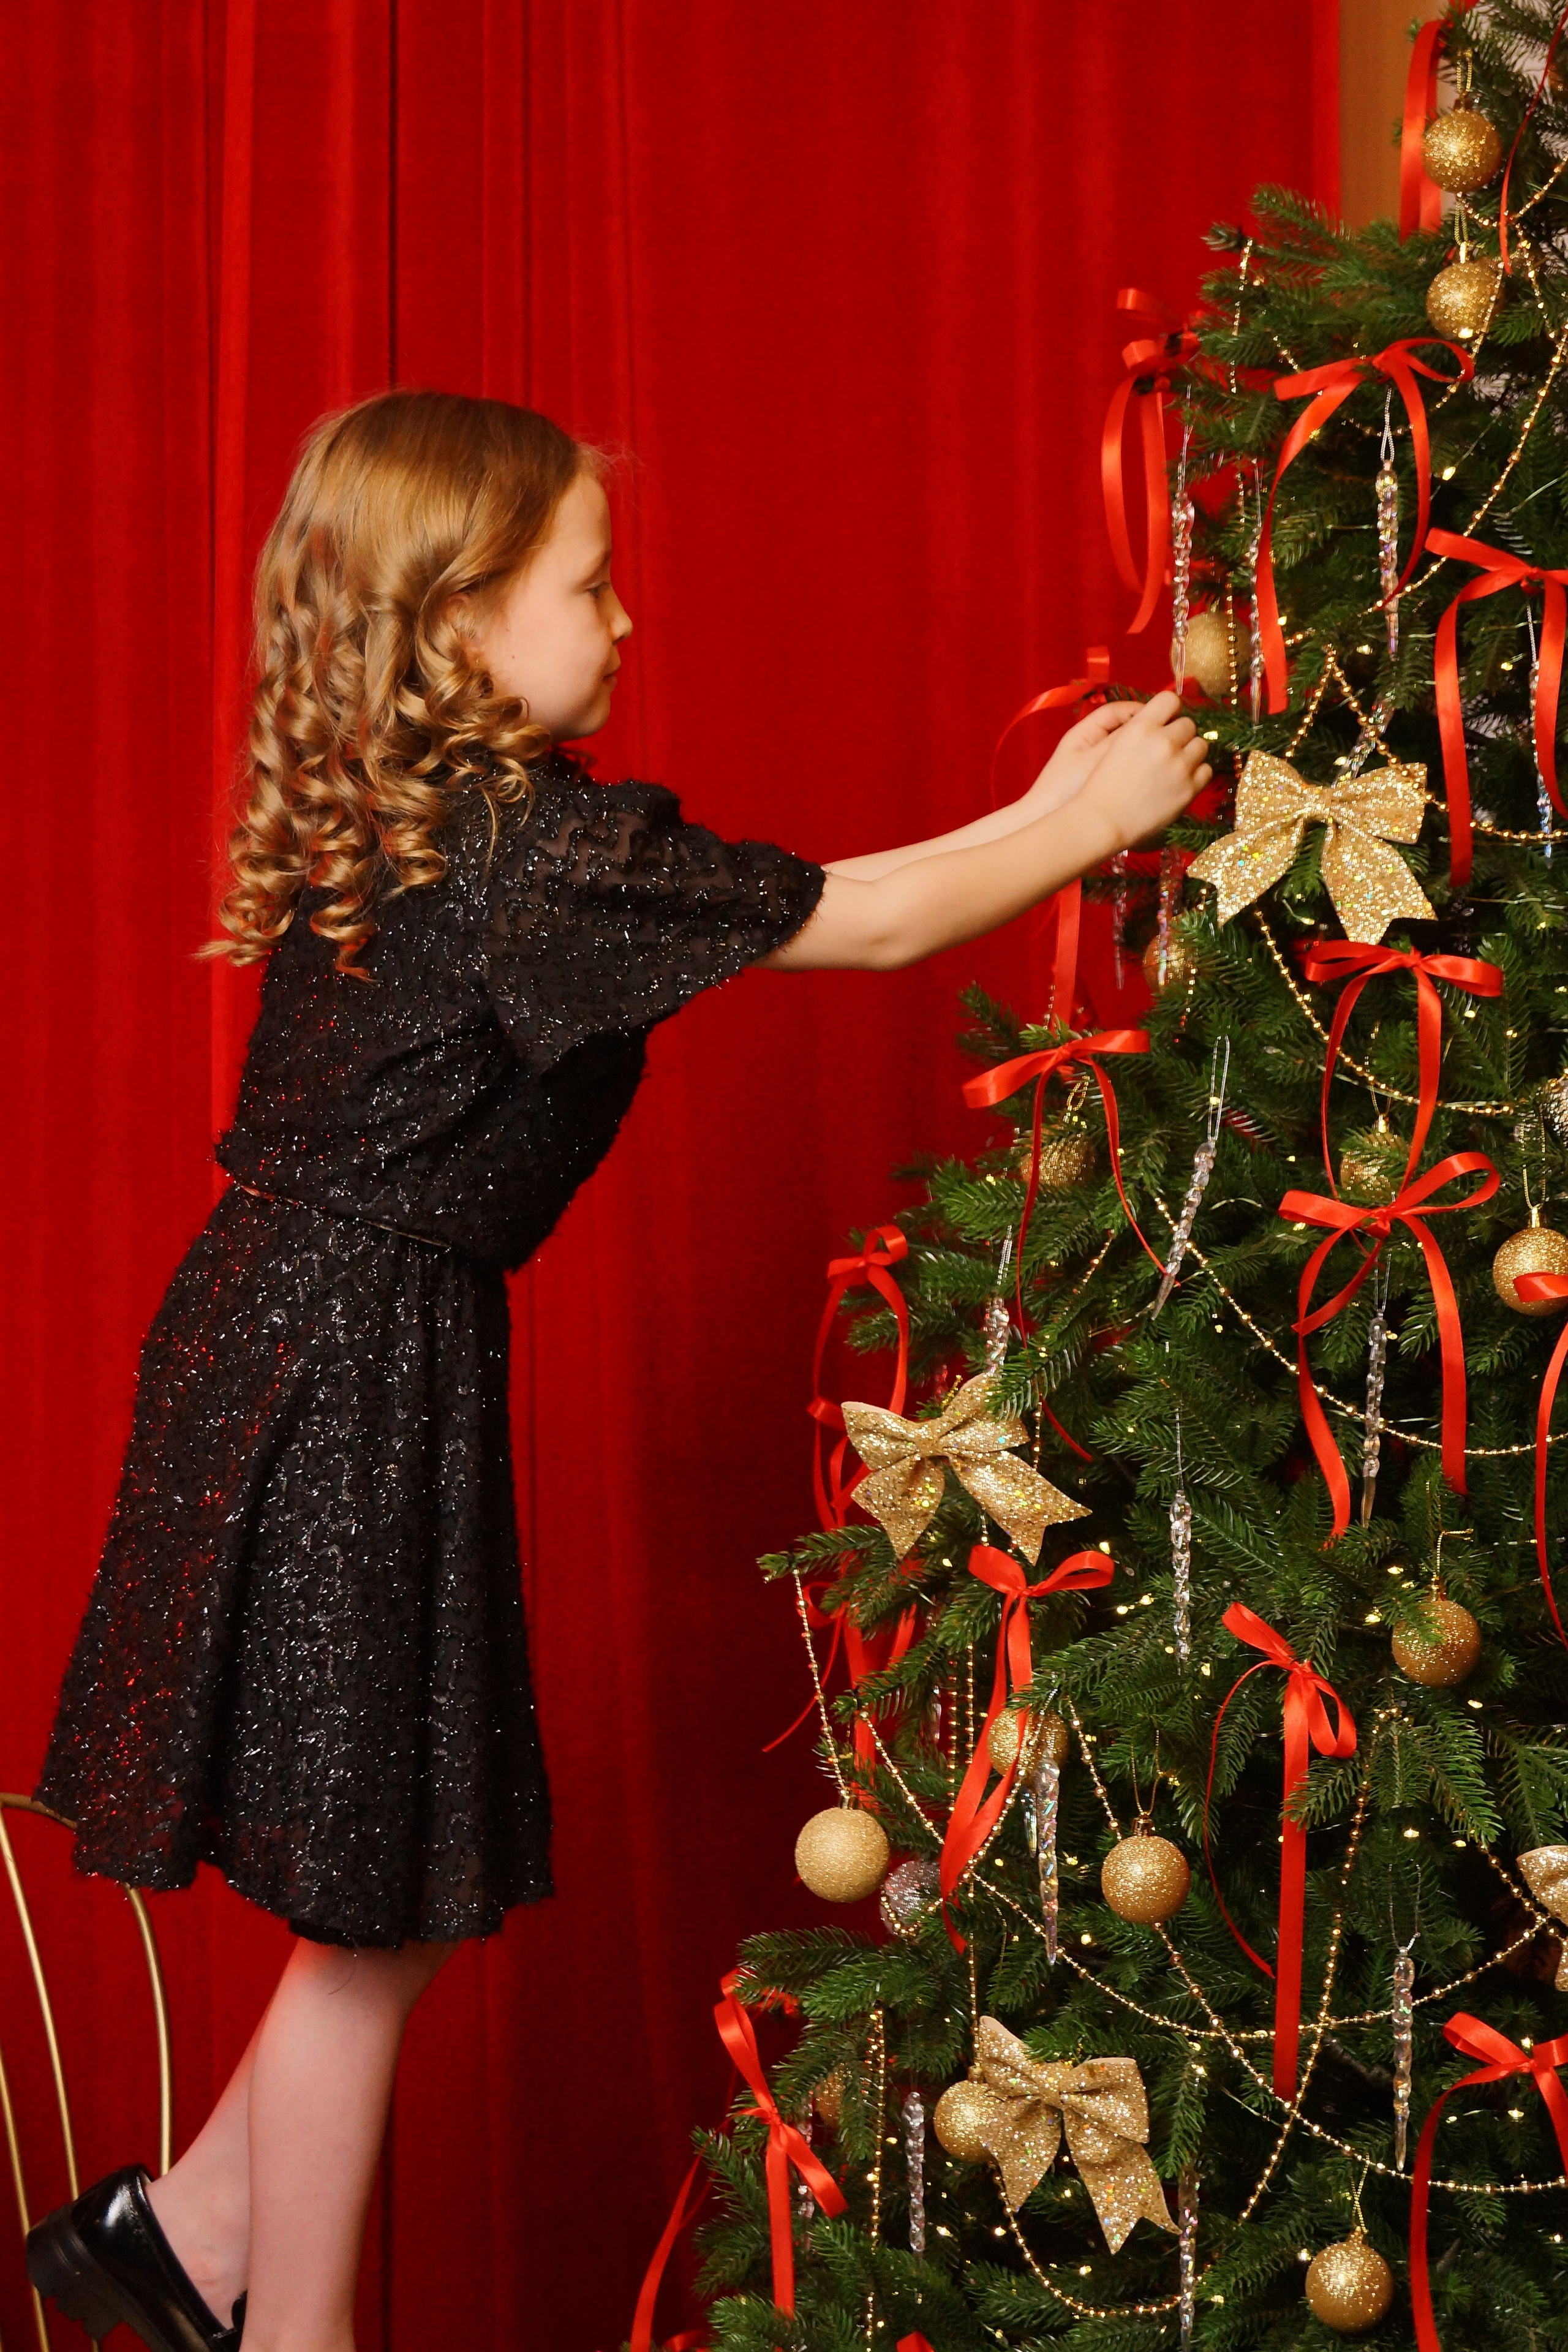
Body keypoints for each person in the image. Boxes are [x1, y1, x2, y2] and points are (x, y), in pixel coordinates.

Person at [24, 389, 1209, 2352]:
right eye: (591, 584)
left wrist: (1046, 809)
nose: (628, 618)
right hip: (342, 1366)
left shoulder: (481, 828)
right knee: (380, 1904)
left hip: (308, 1336)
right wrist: (1085, 826)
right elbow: (869, 923)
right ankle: (266, 2307)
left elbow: (811, 893)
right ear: (463, 617)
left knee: (383, 1900)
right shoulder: (527, 855)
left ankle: (188, 2236)